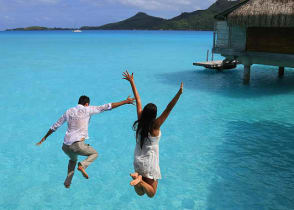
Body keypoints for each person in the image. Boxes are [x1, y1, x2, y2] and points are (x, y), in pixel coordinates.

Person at [36, 95, 135, 188]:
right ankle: (82, 165)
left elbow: (55, 126)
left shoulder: (69, 111)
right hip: (77, 145)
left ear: (78, 102)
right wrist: (126, 101)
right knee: (94, 154)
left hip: (65, 147)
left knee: (73, 159)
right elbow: (108, 106)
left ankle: (67, 181)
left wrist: (44, 138)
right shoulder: (88, 109)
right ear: (87, 104)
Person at [122, 71, 183, 198]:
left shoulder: (140, 121)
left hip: (137, 161)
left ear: (144, 112)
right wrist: (179, 94)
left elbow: (138, 100)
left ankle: (138, 179)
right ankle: (139, 180)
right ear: (154, 116)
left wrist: (132, 81)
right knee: (151, 193)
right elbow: (168, 108)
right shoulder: (155, 126)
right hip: (149, 163)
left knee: (139, 193)